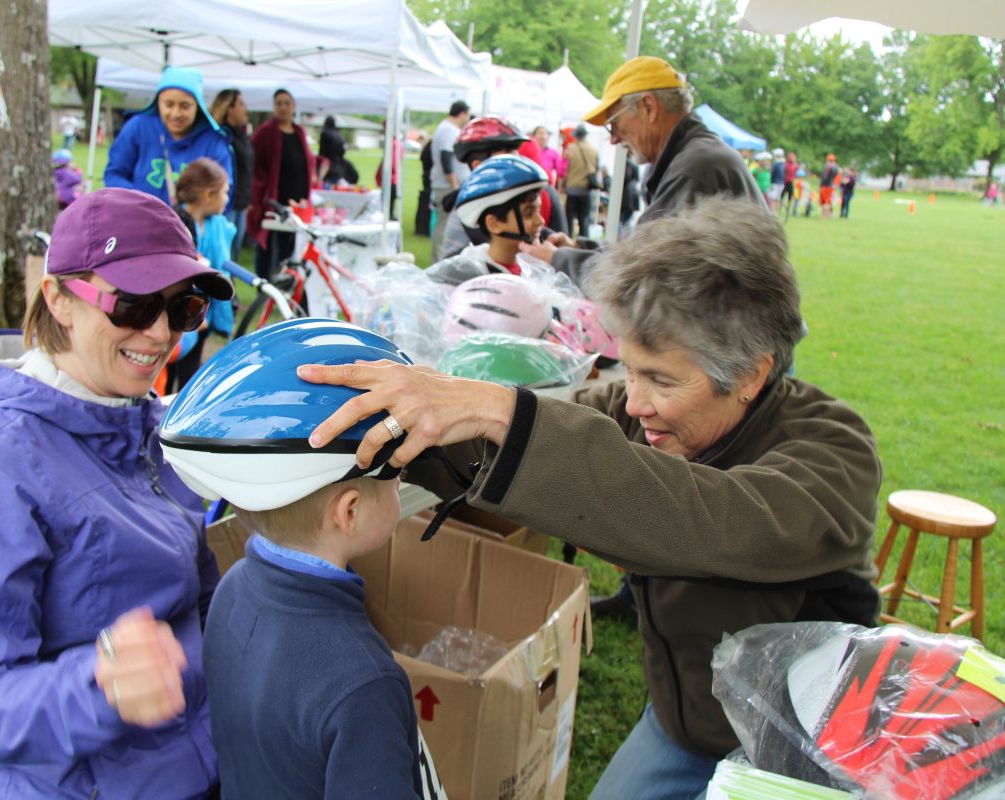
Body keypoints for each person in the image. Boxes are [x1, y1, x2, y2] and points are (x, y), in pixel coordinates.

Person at [301, 197, 881, 800]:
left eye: (660, 379)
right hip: (684, 731)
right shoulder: (637, 421)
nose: (633, 403)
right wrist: (383, 428)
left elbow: (711, 521)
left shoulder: (835, 453)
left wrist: (500, 408)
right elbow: (532, 459)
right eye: (629, 371)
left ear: (751, 376)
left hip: (800, 753)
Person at [0, 188, 235, 798]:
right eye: (135, 304)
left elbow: (198, 602)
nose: (161, 332)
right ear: (58, 297)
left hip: (194, 757)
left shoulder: (139, 422)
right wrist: (101, 683)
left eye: (183, 309)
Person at [159, 318, 434, 799]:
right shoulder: (365, 683)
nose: (401, 483)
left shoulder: (232, 589)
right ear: (348, 512)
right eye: (396, 475)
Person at [536, 56, 763, 279]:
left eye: (613, 124)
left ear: (648, 107)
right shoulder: (691, 156)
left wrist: (559, 259)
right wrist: (578, 246)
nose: (613, 139)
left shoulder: (693, 167)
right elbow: (646, 250)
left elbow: (642, 276)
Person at [438, 115, 567, 259]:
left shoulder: (542, 193)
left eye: (517, 158)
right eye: (507, 161)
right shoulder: (473, 204)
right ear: (478, 167)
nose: (517, 166)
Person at [104, 66, 233, 206]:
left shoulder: (213, 141)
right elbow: (114, 174)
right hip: (139, 219)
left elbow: (223, 190)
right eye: (169, 104)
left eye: (185, 106)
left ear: (198, 106)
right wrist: (141, 203)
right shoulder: (138, 126)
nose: (176, 114)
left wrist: (191, 214)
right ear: (158, 101)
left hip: (189, 226)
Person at [425, 155, 548, 287]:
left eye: (538, 211)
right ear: (493, 224)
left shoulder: (535, 270)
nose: (540, 221)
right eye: (529, 213)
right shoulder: (464, 278)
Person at [170, 157, 237, 392]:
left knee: (191, 370)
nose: (227, 199)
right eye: (224, 193)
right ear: (209, 195)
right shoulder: (176, 223)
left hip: (201, 309)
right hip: (179, 310)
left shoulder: (213, 224)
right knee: (169, 367)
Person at [248, 88, 315, 280]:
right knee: (267, 242)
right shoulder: (266, 133)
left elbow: (306, 161)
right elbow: (255, 163)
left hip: (295, 201)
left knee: (288, 243)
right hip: (274, 200)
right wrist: (262, 188)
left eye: (287, 103)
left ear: (293, 107)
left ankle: (283, 280)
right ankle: (263, 280)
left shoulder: (299, 132)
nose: (283, 107)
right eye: (279, 103)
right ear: (274, 107)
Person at [209, 88, 253, 262]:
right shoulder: (220, 137)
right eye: (241, 104)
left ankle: (229, 286)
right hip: (226, 205)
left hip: (240, 204)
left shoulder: (242, 136)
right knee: (222, 255)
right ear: (229, 108)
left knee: (233, 253)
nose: (245, 109)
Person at [429, 100, 472, 262]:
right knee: (444, 228)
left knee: (447, 227)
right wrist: (455, 187)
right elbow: (446, 158)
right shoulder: (448, 130)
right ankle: (439, 262)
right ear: (462, 113)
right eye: (467, 115)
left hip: (449, 186)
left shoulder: (447, 128)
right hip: (448, 187)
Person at [564, 124, 599, 238]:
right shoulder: (593, 151)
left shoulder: (570, 148)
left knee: (569, 219)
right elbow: (596, 169)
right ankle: (583, 243)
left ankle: (567, 242)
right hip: (586, 190)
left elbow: (564, 168)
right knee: (584, 219)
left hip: (572, 189)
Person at [317, 115, 356, 185]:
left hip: (328, 167)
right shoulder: (339, 135)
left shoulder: (325, 134)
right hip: (339, 167)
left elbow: (322, 153)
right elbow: (343, 151)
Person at [819, 153, 839, 219]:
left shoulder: (828, 166)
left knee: (825, 201)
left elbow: (824, 177)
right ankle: (827, 215)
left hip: (825, 186)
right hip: (831, 186)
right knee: (828, 201)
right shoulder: (836, 167)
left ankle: (824, 215)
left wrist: (820, 185)